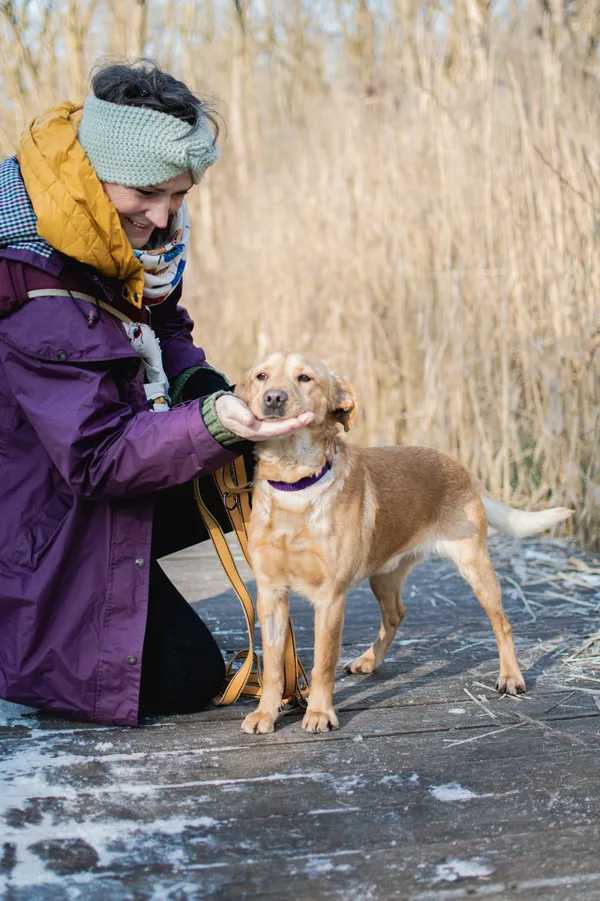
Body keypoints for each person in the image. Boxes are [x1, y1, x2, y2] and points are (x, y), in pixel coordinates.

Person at [0, 60, 312, 726]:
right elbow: (96, 457)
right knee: (181, 677)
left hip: (79, 482)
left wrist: (204, 387)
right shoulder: (34, 285)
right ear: (96, 172)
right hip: (36, 517)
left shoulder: (115, 237)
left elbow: (162, 326)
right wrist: (212, 423)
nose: (164, 215)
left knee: (260, 467)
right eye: (147, 192)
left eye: (179, 193)